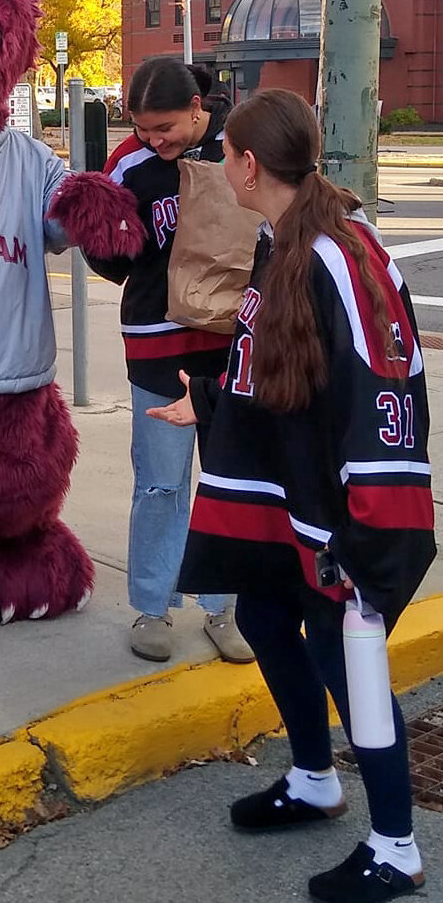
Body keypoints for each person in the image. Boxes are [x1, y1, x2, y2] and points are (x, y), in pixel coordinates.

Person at [149, 88, 435, 902]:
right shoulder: (282, 238)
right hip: (290, 492)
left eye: (224, 154)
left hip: (338, 508)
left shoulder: (343, 254)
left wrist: (368, 529)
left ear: (246, 163)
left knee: (346, 656)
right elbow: (283, 374)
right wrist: (206, 400)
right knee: (267, 615)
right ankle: (314, 779)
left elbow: (383, 390)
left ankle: (396, 846)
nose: (219, 167)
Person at [89, 56, 254, 664]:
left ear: (196, 110)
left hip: (232, 344)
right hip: (157, 345)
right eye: (142, 129)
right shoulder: (128, 165)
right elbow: (106, 257)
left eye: (165, 128)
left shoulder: (241, 145)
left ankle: (222, 606)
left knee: (227, 477)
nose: (153, 141)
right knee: (160, 482)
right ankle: (152, 607)